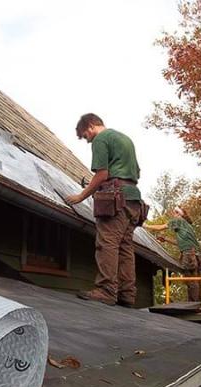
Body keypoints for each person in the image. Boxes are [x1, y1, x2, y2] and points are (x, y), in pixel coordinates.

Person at [66, 113, 141, 307]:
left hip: (117, 199)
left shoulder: (101, 139)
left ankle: (106, 291)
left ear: (91, 126)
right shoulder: (125, 139)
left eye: (85, 135)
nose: (86, 140)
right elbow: (136, 173)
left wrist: (80, 196)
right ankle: (127, 295)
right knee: (125, 248)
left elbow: (102, 174)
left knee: (107, 243)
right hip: (134, 200)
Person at [143, 206, 201, 302]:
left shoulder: (178, 221)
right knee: (194, 279)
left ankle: (194, 304)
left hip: (189, 254)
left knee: (190, 280)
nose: (174, 214)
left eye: (176, 212)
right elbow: (180, 242)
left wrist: (144, 225)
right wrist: (166, 239)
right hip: (195, 254)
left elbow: (160, 227)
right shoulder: (187, 225)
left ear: (181, 214)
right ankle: (197, 304)